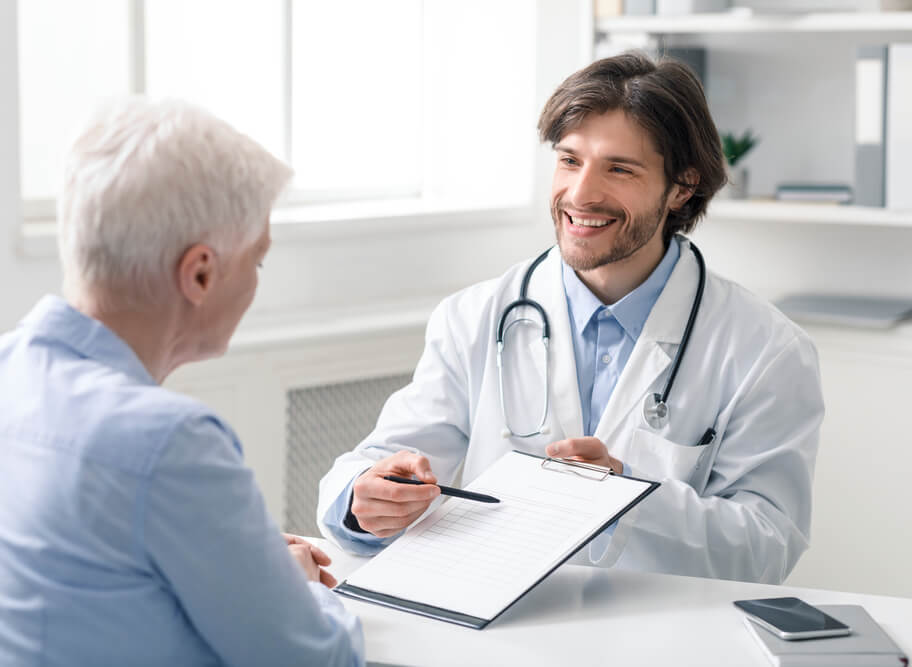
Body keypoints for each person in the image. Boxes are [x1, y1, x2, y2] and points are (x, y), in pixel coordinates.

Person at [317, 52, 824, 585]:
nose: (581, 195)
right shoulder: (474, 317)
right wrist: (365, 497)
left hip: (659, 638)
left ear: (682, 186)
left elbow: (768, 546)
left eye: (620, 169)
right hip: (496, 628)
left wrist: (627, 496)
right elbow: (374, 465)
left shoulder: (765, 349)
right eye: (569, 160)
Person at [0, 98, 363, 666]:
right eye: (258, 260)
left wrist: (247, 567)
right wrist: (301, 590)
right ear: (200, 272)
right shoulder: (169, 443)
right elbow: (315, 660)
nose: (256, 282)